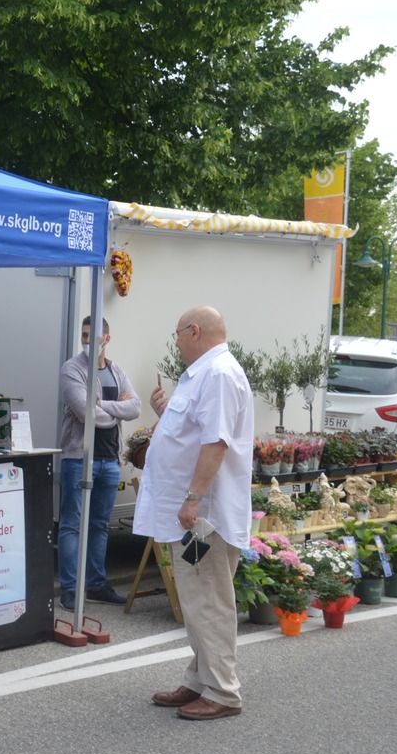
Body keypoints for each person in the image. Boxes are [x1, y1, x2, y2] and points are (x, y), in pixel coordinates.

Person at [134, 306, 254, 721]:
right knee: (197, 597)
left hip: (203, 517)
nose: (177, 342)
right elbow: (193, 434)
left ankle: (222, 691)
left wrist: (192, 499)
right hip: (196, 514)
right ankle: (201, 678)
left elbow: (216, 442)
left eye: (178, 334)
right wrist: (166, 414)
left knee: (208, 599)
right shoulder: (204, 374)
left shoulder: (218, 374)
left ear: (195, 330)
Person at [58, 316, 141, 610]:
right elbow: (84, 411)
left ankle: (95, 585)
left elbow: (136, 408)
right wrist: (114, 410)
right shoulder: (73, 369)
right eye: (83, 335)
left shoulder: (116, 370)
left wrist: (103, 406)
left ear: (106, 338)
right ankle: (69, 589)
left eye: (92, 336)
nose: (86, 340)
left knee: (100, 526)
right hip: (79, 459)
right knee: (72, 525)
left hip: (109, 461)